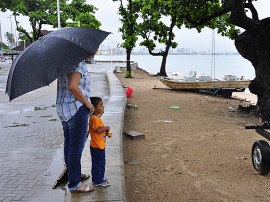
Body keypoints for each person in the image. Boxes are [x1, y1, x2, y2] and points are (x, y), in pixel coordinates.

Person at [56, 57, 95, 193]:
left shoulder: (65, 61)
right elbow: (73, 86)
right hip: (76, 109)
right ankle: (74, 184)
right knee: (76, 147)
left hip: (63, 109)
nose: (95, 51)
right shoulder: (77, 61)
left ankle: (74, 175)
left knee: (69, 144)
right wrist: (88, 103)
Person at [88, 97, 111, 187]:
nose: (103, 107)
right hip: (97, 146)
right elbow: (98, 130)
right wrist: (107, 128)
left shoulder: (94, 117)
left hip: (97, 145)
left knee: (97, 163)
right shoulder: (95, 119)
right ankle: (98, 181)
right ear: (94, 108)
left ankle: (98, 178)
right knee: (99, 163)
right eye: (101, 106)